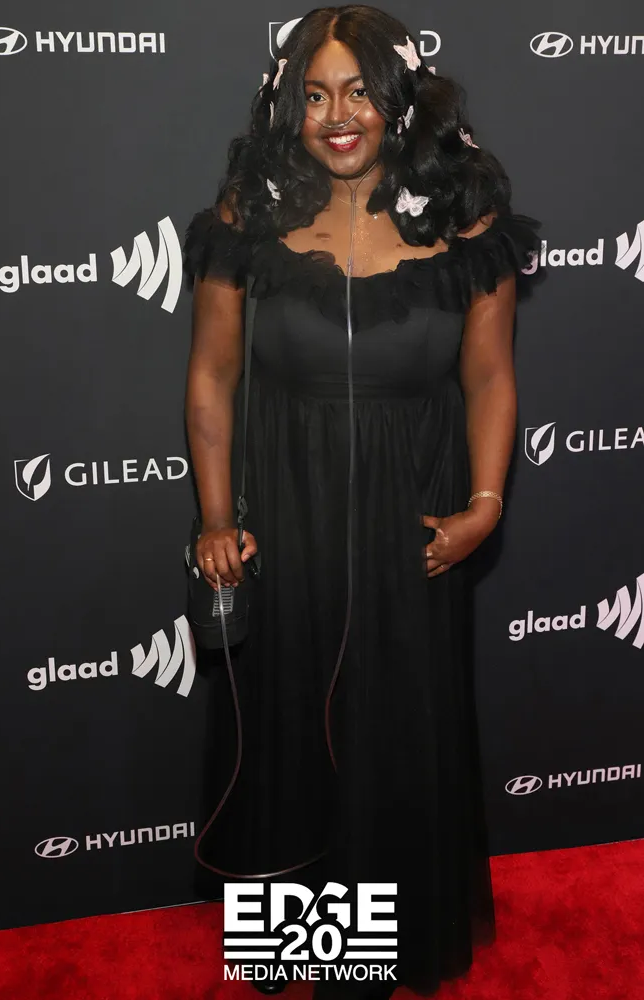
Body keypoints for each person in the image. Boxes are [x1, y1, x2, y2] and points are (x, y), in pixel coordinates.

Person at [182, 5, 540, 998]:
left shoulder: (465, 215)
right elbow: (211, 374)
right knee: (289, 722)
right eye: (313, 94)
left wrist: (483, 503)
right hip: (284, 508)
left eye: (357, 92)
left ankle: (374, 959)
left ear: (399, 101)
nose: (337, 115)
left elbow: (490, 374)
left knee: (395, 729)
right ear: (286, 106)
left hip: (412, 512)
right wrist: (215, 517)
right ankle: (301, 947)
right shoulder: (247, 215)